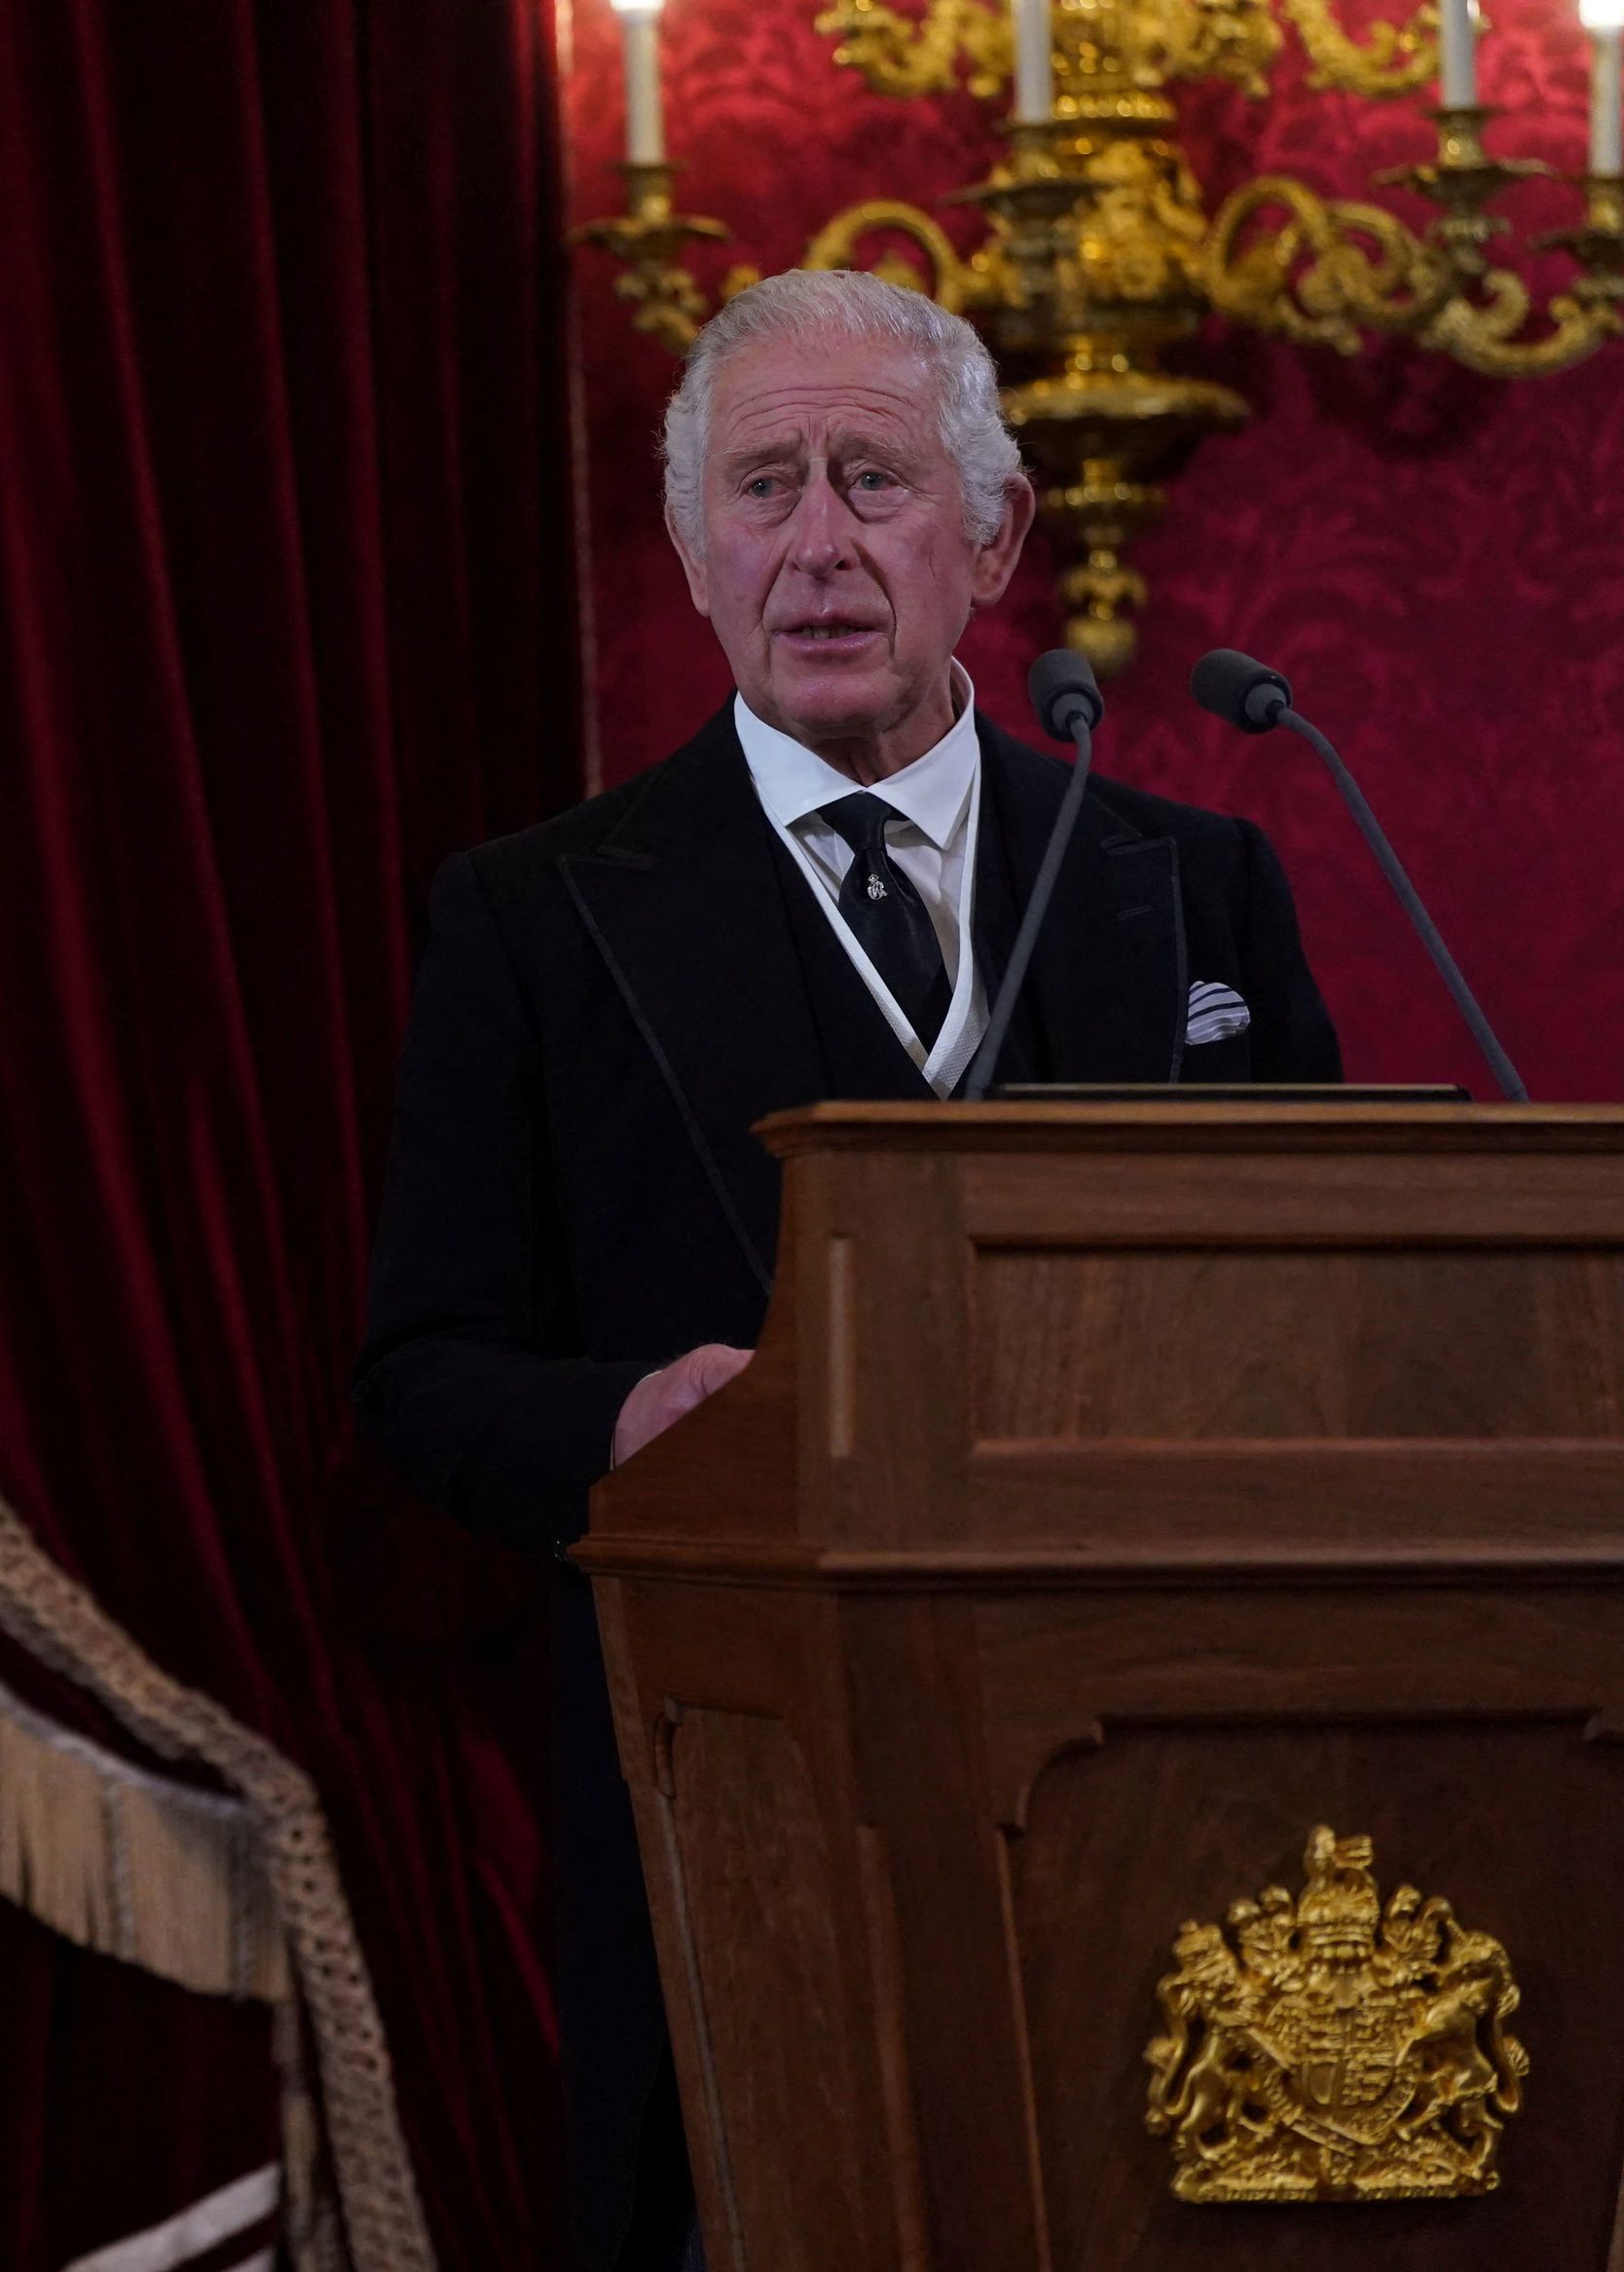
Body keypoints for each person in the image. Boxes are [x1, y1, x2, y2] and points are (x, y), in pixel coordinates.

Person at [351, 269, 1341, 2272]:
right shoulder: (535, 919)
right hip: (744, 1806)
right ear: (691, 553)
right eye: (761, 487)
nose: (812, 543)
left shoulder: (1192, 883)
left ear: (988, 539)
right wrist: (624, 1418)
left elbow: (1321, 1302)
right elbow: (423, 1368)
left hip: (1154, 1788)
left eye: (871, 481)